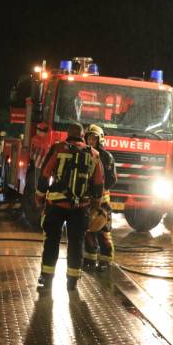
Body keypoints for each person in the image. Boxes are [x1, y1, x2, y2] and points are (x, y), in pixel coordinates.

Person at [35, 123, 104, 291]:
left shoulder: (58, 148)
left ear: (68, 134)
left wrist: (40, 198)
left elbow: (44, 175)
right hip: (81, 206)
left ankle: (47, 279)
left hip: (56, 205)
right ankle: (72, 281)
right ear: (82, 135)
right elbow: (98, 183)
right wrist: (95, 205)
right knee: (76, 242)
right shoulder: (94, 154)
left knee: (52, 240)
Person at [83, 124, 117, 272]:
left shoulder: (106, 157)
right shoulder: (84, 153)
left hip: (103, 201)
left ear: (100, 140)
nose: (91, 141)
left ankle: (106, 260)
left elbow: (112, 179)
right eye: (89, 138)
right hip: (88, 200)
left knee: (104, 232)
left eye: (94, 139)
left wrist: (100, 189)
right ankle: (90, 259)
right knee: (88, 231)